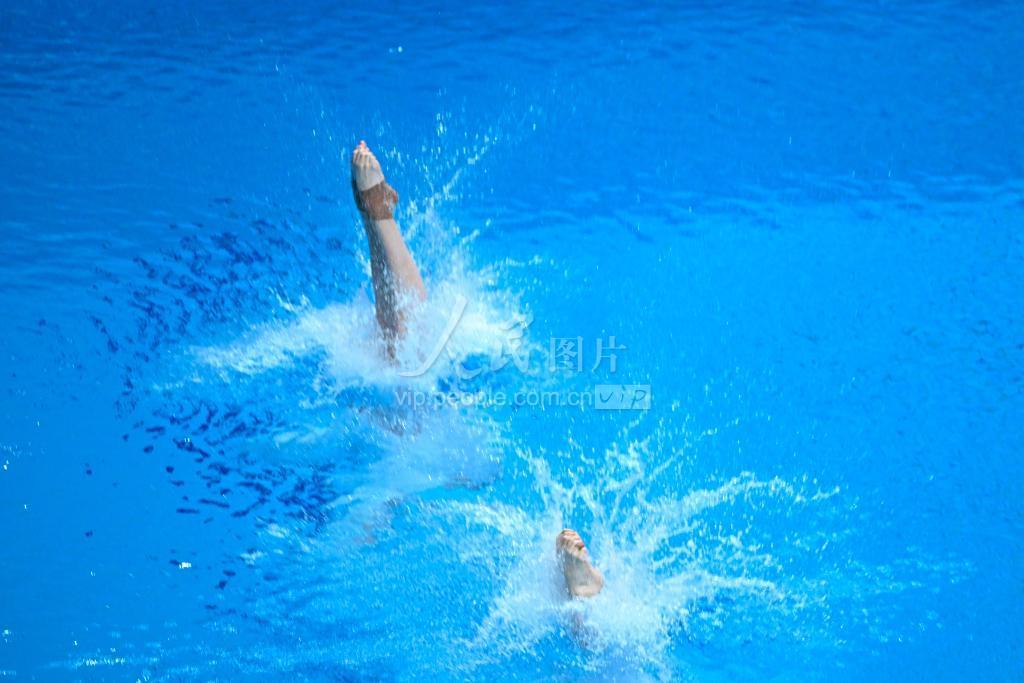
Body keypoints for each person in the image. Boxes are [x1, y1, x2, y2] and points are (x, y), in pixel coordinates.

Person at [350, 143, 605, 600]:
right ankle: (589, 606)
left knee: (404, 366)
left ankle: (380, 218)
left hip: (448, 445)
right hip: (463, 446)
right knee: (406, 364)